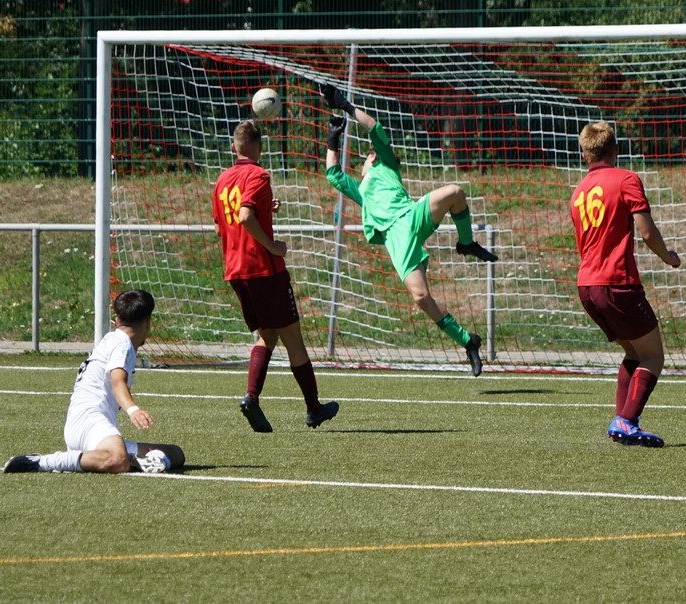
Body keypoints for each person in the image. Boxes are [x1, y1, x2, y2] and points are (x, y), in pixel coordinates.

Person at [322, 84, 497, 376]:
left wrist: (346, 106)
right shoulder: (361, 192)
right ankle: (469, 341)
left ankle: (466, 243)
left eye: (366, 157)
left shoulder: (385, 164)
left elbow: (373, 126)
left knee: (455, 192)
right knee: (421, 298)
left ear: (373, 158)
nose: (363, 161)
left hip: (412, 215)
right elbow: (333, 174)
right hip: (397, 238)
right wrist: (332, 140)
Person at [213, 120, 340, 433]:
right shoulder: (258, 174)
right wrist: (273, 246)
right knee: (292, 338)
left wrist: (265, 208)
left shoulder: (222, 180)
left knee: (267, 336)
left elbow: (222, 225)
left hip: (236, 271)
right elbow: (245, 216)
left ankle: (252, 398)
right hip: (263, 268)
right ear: (260, 146)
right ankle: (313, 408)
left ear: (233, 147)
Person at [569, 121, 681, 447]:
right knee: (653, 356)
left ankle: (622, 422)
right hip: (617, 283)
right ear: (616, 150)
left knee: (634, 352)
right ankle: (626, 421)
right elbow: (647, 232)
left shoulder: (578, 193)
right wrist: (668, 257)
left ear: (585, 155)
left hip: (587, 287)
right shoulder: (625, 179)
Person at [3, 289, 185, 474]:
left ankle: (137, 461)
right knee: (117, 460)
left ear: (117, 320)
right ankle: (41, 462)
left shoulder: (113, 340)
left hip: (85, 425)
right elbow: (117, 382)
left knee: (174, 454)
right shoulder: (122, 344)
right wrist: (133, 410)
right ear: (147, 322)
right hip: (90, 421)